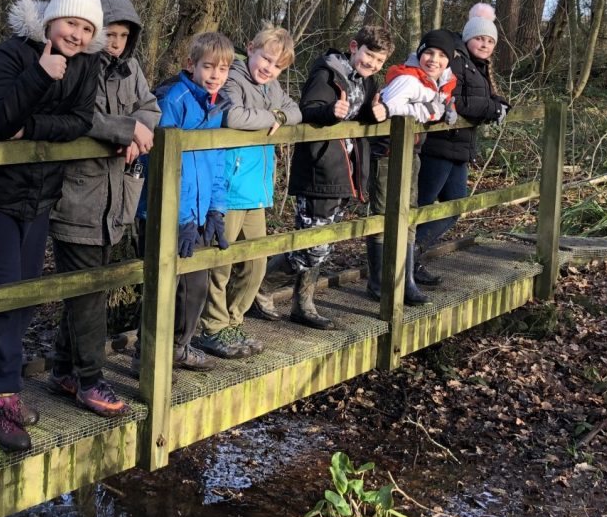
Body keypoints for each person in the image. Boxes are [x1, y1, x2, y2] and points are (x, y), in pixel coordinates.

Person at [0, 0, 104, 452]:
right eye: (71, 24)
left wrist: (36, 125)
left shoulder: (87, 66)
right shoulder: (13, 53)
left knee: (22, 299)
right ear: (50, 21)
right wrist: (41, 75)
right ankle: (4, 399)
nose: (78, 35)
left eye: (87, 29)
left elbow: (79, 123)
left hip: (40, 196)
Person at [47, 0, 160, 416]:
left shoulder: (131, 69)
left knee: (85, 289)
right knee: (89, 291)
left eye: (122, 35)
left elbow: (150, 107)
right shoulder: (75, 67)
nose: (114, 43)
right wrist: (124, 127)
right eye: (108, 33)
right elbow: (80, 116)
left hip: (117, 196)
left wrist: (139, 128)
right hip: (78, 195)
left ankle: (62, 368)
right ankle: (91, 380)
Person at [197, 25, 301, 358]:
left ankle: (233, 321)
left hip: (256, 189)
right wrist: (271, 116)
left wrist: (280, 114)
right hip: (227, 186)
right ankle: (212, 327)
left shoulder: (272, 87)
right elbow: (233, 115)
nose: (269, 68)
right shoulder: (233, 77)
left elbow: (296, 111)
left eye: (278, 66)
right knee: (220, 263)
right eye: (266, 58)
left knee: (255, 263)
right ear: (251, 48)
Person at [135, 31, 234, 370]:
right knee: (164, 286)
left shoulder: (218, 105)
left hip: (201, 213)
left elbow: (218, 160)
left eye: (223, 69)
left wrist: (217, 209)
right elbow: (163, 165)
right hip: (168, 212)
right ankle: (146, 355)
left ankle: (179, 346)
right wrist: (181, 216)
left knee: (196, 287)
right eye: (209, 67)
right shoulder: (174, 101)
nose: (215, 75)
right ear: (191, 65)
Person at [282, 26, 392, 330]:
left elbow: (360, 114)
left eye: (379, 60)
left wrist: (375, 113)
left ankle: (302, 303)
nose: (371, 64)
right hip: (319, 168)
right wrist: (329, 110)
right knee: (310, 245)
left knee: (323, 243)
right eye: (369, 55)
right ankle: (259, 289)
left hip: (345, 171)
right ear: (353, 46)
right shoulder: (327, 73)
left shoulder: (366, 82)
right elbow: (309, 109)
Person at [413, 4, 510, 274]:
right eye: (480, 38)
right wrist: (492, 109)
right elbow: (453, 100)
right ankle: (401, 261)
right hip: (440, 145)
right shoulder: (456, 59)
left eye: (490, 41)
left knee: (454, 205)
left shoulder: (478, 65)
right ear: (469, 36)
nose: (485, 44)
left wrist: (500, 103)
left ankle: (411, 255)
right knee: (421, 207)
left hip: (459, 147)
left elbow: (483, 97)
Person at [369, 28, 461, 306]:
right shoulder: (409, 79)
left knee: (407, 215)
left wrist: (440, 109)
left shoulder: (436, 83)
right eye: (429, 53)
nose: (434, 59)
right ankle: (379, 284)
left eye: (441, 55)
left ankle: (404, 281)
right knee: (384, 215)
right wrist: (430, 111)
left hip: (412, 151)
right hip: (388, 153)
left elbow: (438, 107)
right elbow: (388, 107)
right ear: (420, 53)